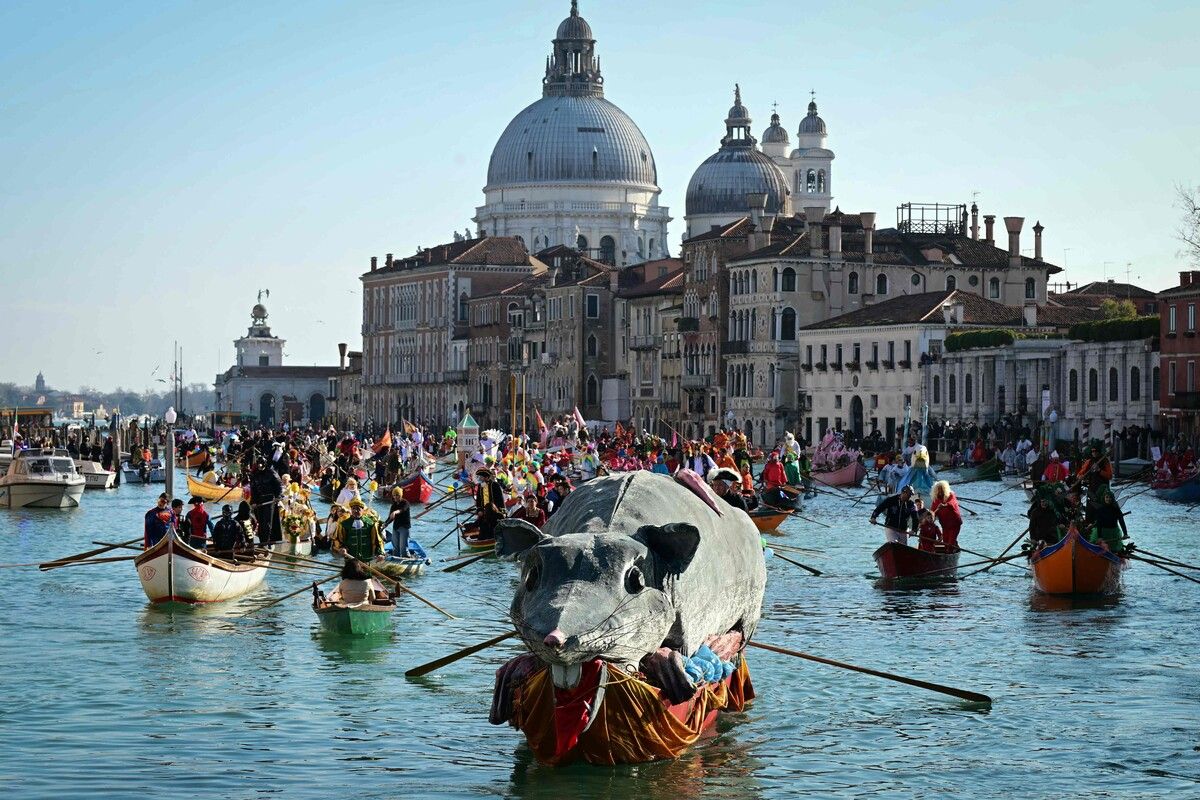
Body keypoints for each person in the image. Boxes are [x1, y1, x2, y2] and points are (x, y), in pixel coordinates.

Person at [1088, 489, 1128, 553]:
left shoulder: (1116, 509)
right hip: (1102, 532)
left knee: (1113, 551)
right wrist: (1099, 537)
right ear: (1104, 498)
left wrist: (1125, 533)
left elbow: (1121, 521)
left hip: (1114, 533)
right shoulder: (1100, 509)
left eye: (1110, 497)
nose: (1108, 499)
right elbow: (1099, 523)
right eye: (1107, 497)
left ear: (1112, 499)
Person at [929, 480, 963, 551]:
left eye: (942, 490)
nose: (940, 492)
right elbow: (932, 512)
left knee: (949, 544)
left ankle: (952, 549)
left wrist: (945, 505)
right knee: (945, 542)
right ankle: (953, 546)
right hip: (945, 526)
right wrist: (929, 518)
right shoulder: (936, 500)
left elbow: (952, 503)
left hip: (954, 525)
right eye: (938, 490)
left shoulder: (950, 495)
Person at [384, 487, 411, 558]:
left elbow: (402, 510)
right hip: (396, 527)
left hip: (404, 528)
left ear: (401, 495)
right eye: (394, 495)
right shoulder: (394, 505)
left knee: (403, 548)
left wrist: (395, 512)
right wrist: (385, 524)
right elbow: (390, 517)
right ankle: (396, 560)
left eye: (397, 495)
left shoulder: (405, 503)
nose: (395, 497)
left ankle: (406, 557)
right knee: (395, 547)